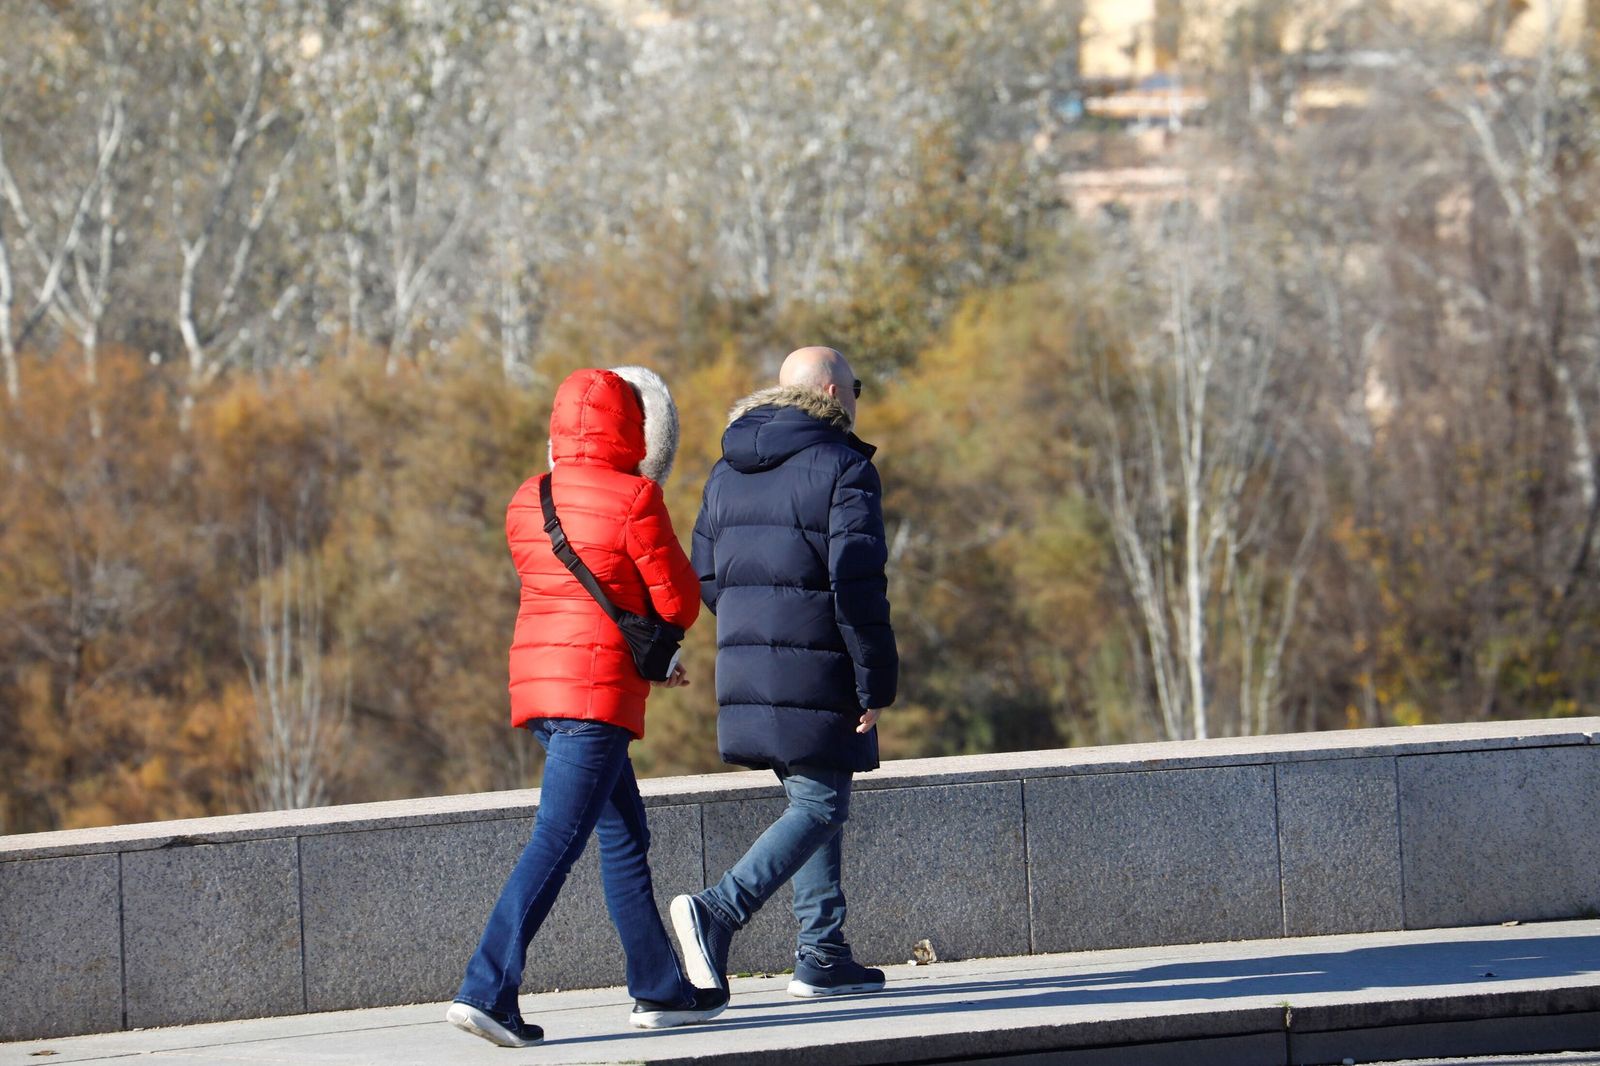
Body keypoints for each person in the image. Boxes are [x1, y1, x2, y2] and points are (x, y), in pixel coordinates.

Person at [448, 367, 727, 1048]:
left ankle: (660, 989)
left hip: (539, 688)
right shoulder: (636, 498)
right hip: (594, 697)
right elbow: (678, 602)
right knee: (558, 838)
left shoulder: (530, 496)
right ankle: (487, 990)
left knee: (624, 834)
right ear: (630, 427)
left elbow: (567, 586)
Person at [671, 346, 899, 1000]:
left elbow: (705, 574)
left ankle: (822, 951)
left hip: (749, 665)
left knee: (815, 797)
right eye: (856, 386)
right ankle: (718, 910)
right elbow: (857, 584)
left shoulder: (727, 469)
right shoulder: (844, 465)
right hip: (819, 661)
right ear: (831, 391)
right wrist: (875, 680)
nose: (857, 397)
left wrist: (759, 623)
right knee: (822, 803)